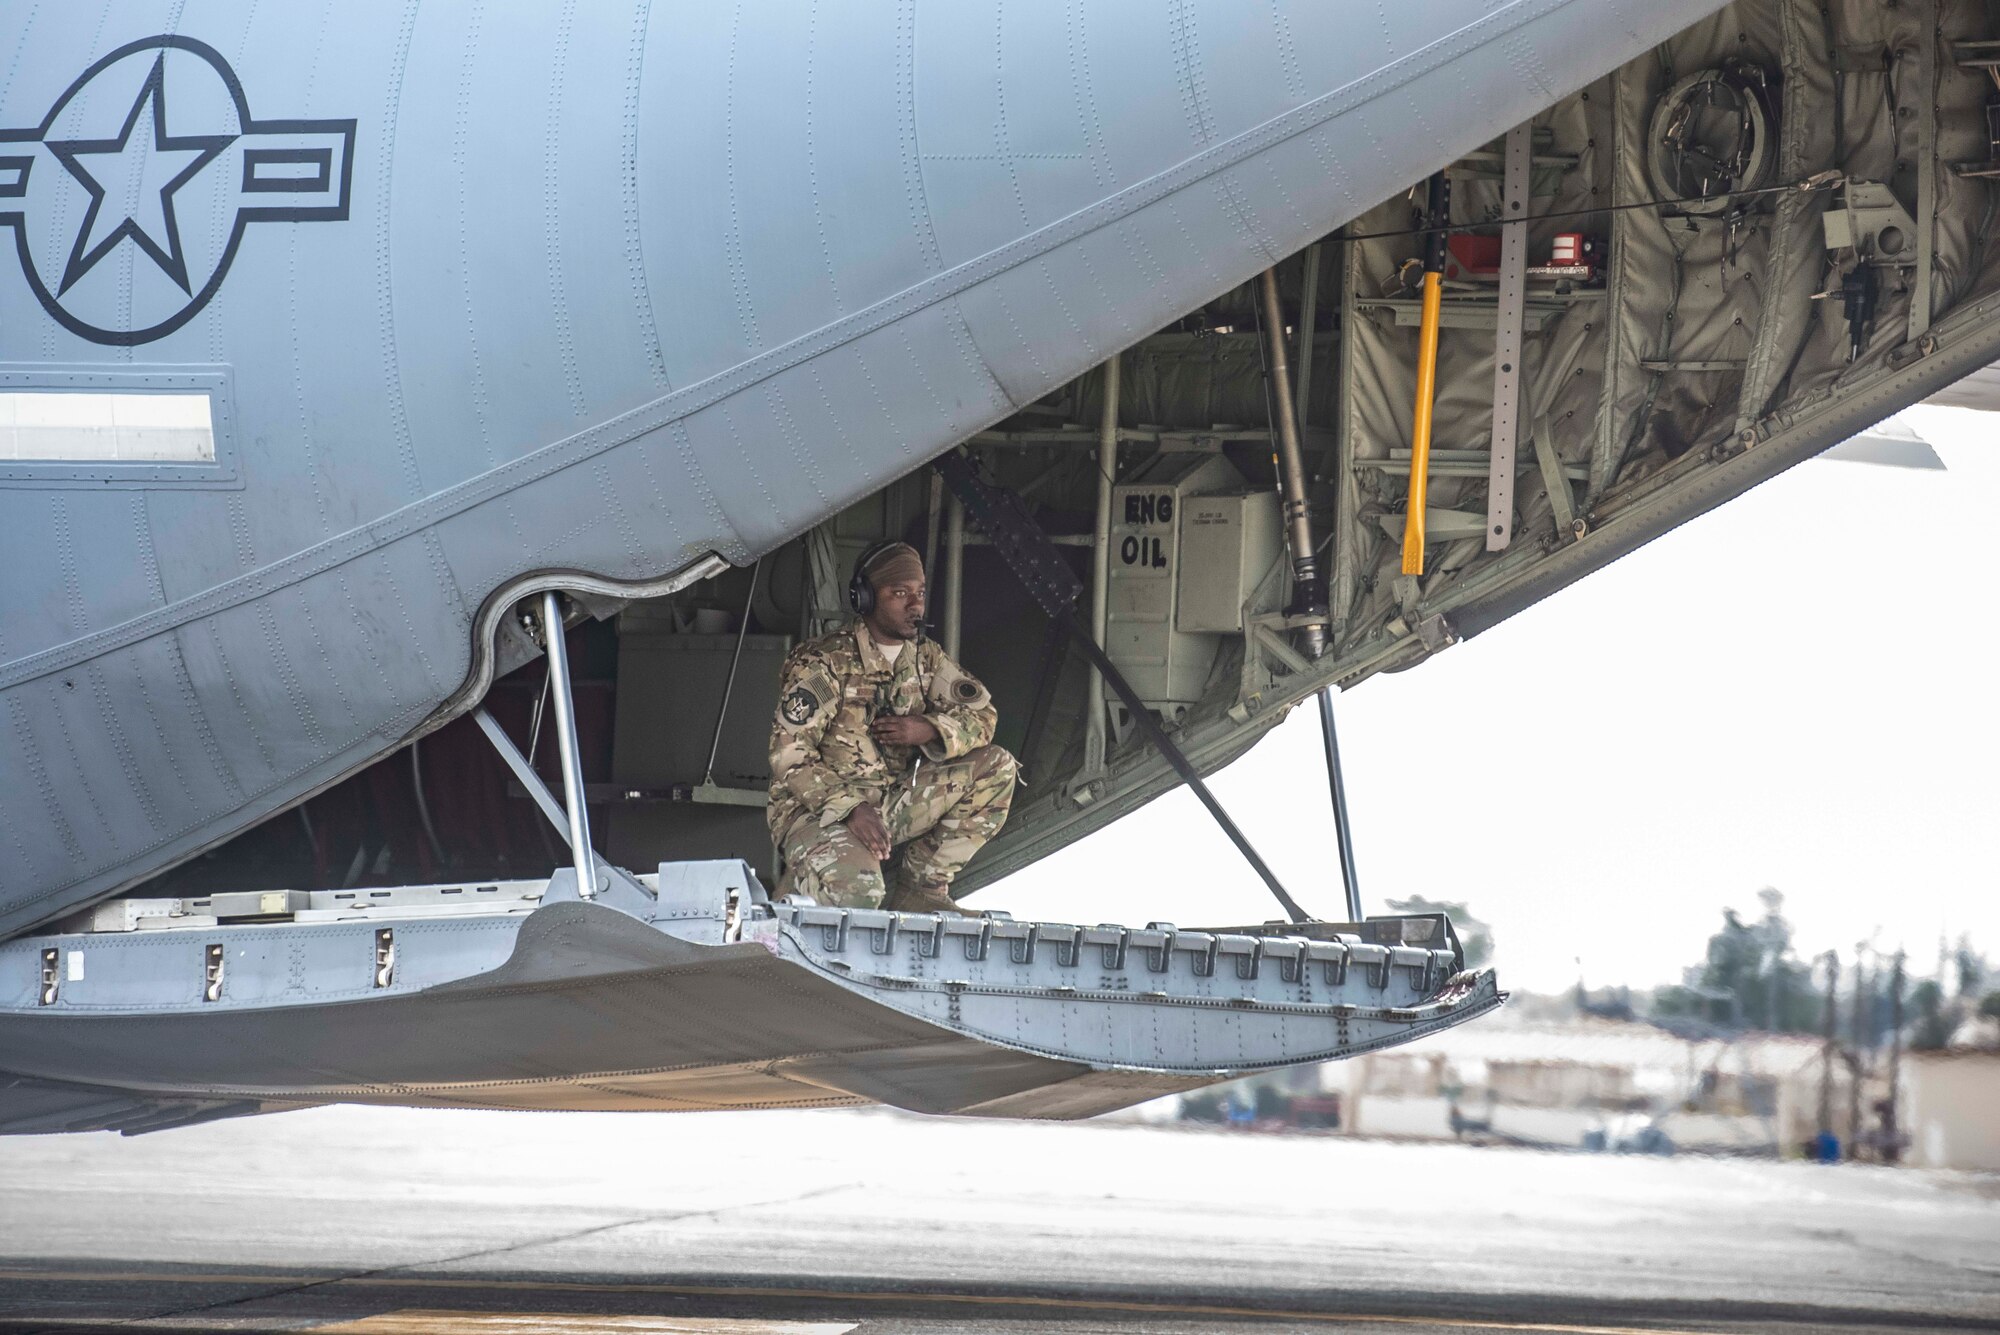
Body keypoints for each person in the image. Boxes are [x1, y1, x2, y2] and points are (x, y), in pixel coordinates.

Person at [766, 540, 1016, 914]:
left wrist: (930, 729)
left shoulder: (925, 657)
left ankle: (923, 891)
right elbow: (788, 754)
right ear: (865, 598)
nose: (915, 605)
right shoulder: (825, 661)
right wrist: (850, 809)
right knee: (859, 898)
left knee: (997, 767)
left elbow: (983, 716)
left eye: (919, 593)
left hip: (885, 802)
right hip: (816, 811)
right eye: (899, 593)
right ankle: (800, 879)